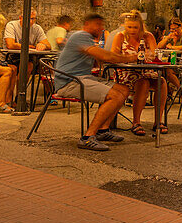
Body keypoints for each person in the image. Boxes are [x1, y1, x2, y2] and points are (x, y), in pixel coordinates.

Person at [52, 13, 139, 151]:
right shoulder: (81, 35)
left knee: (124, 90)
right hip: (69, 81)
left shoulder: (87, 39)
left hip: (83, 78)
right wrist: (130, 58)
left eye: (102, 25)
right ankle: (87, 137)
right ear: (87, 24)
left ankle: (103, 130)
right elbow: (106, 56)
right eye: (97, 24)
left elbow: (99, 57)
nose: (101, 28)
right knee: (115, 96)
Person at [110, 11, 168, 136]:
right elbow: (113, 56)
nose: (132, 30)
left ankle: (158, 121)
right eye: (129, 27)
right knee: (143, 82)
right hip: (125, 72)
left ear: (141, 26)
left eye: (135, 27)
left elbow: (154, 54)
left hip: (145, 70)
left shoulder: (148, 36)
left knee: (161, 81)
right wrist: (129, 58)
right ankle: (136, 122)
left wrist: (150, 55)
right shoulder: (120, 37)